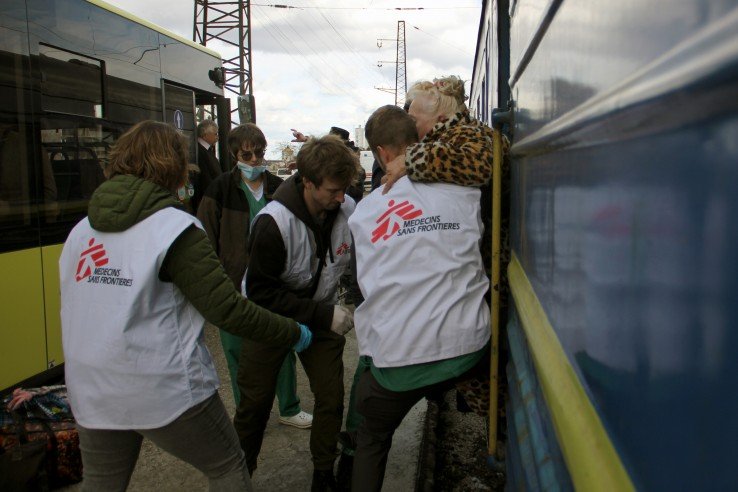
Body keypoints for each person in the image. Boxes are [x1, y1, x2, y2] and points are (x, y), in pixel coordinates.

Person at [59, 121, 312, 491]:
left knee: (102, 482)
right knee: (228, 466)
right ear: (173, 167)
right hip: (163, 388)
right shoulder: (174, 228)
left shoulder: (80, 231)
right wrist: (292, 331)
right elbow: (226, 309)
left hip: (92, 386)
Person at [347, 103, 491, 492]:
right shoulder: (465, 191)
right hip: (469, 346)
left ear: (382, 154)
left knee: (371, 433)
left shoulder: (364, 213)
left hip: (401, 362)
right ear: (420, 142)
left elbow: (365, 285)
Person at [235, 134, 358, 491]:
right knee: (255, 404)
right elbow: (260, 292)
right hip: (269, 317)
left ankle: (323, 473)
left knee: (332, 397)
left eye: (344, 189)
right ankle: (239, 476)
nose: (341, 198)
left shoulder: (346, 209)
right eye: (333, 190)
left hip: (318, 312)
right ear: (306, 181)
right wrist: (323, 316)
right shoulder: (273, 224)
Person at [197, 123, 313, 429]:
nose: (253, 160)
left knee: (282, 345)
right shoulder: (220, 189)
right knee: (236, 353)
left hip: (274, 284)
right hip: (232, 286)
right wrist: (215, 283)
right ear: (235, 154)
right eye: (246, 154)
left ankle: (289, 407)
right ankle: (246, 412)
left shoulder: (279, 187)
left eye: (258, 153)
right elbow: (205, 238)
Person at [192, 119, 222, 213]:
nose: (217, 137)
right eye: (215, 134)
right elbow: (205, 179)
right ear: (205, 135)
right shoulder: (199, 152)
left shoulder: (207, 150)